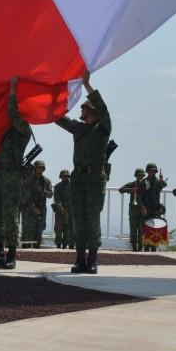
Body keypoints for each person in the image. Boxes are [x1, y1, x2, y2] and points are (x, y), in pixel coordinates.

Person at [55, 70, 111, 274]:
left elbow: (105, 110)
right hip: (78, 177)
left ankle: (93, 260)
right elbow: (58, 119)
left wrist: (88, 86)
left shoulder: (102, 129)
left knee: (92, 218)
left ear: (92, 112)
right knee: (78, 218)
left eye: (85, 108)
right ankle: (80, 259)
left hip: (95, 178)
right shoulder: (78, 128)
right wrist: (52, 99)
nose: (81, 111)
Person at [0, 76, 32, 270]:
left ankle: (11, 254)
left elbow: (13, 114)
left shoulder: (24, 128)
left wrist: (13, 89)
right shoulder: (4, 128)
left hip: (12, 175)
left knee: (9, 215)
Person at [21, 159, 53, 248]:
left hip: (41, 208)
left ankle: (36, 247)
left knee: (40, 228)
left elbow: (50, 194)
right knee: (28, 229)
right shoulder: (28, 180)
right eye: (38, 168)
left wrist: (44, 192)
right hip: (29, 208)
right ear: (35, 169)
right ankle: (25, 248)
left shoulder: (46, 181)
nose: (40, 170)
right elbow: (26, 195)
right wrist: (33, 207)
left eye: (41, 168)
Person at [138, 163, 167, 251]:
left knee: (155, 229)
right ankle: (146, 248)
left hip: (155, 209)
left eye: (154, 171)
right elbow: (139, 197)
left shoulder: (158, 181)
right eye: (150, 171)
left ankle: (154, 248)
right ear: (147, 171)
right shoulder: (144, 182)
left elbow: (164, 185)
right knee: (146, 229)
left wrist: (162, 180)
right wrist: (142, 207)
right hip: (147, 208)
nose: (152, 172)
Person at [120, 168, 145, 251]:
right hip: (133, 211)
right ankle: (134, 247)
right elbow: (121, 190)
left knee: (142, 230)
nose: (140, 177)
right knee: (133, 230)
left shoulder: (146, 184)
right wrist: (131, 190)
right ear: (136, 176)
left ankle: (140, 247)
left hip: (142, 210)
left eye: (141, 176)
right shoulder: (132, 184)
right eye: (138, 175)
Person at [53, 169, 74, 248]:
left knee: (70, 228)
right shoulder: (57, 187)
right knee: (59, 228)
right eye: (63, 176)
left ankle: (70, 243)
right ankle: (58, 244)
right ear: (61, 177)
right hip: (60, 210)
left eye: (67, 176)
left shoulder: (73, 186)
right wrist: (61, 208)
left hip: (71, 210)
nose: (65, 178)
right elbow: (57, 199)